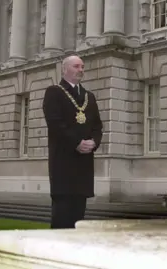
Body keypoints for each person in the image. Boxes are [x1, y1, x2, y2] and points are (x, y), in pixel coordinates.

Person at [42, 55, 103, 229]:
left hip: (83, 163)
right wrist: (77, 142)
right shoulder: (54, 92)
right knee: (62, 215)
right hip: (63, 162)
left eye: (82, 67)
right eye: (76, 66)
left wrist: (94, 142)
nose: (81, 70)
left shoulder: (89, 96)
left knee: (78, 215)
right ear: (65, 69)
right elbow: (55, 124)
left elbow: (97, 126)